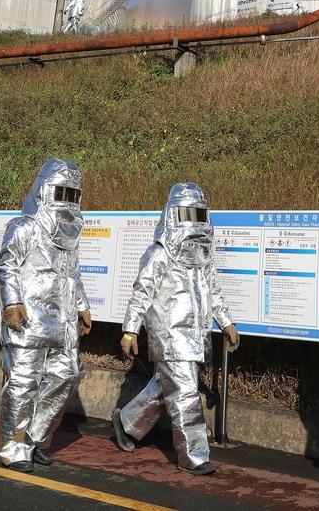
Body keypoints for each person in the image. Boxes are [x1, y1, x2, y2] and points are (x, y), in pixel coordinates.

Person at [112, 183, 239, 475]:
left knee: (166, 385)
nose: (194, 222)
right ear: (172, 214)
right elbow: (142, 291)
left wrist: (226, 321)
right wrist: (130, 330)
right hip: (168, 333)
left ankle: (127, 423)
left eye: (199, 214)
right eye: (187, 214)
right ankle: (193, 456)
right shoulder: (159, 253)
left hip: (194, 334)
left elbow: (213, 291)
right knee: (185, 392)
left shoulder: (203, 256)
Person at [0, 158, 91, 472]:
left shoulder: (70, 234)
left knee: (67, 376)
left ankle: (35, 438)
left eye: (73, 194)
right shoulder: (23, 226)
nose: (67, 200)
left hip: (62, 323)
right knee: (23, 385)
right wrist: (12, 303)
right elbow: (7, 265)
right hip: (27, 320)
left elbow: (73, 273)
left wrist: (82, 305)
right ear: (45, 190)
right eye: (61, 192)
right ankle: (14, 448)